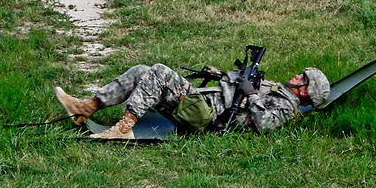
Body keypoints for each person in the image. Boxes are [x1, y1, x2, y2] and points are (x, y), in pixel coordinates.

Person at [54, 63, 331, 139]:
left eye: (302, 78)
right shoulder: (278, 90)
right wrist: (222, 75)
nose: (297, 76)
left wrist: (250, 94)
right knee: (142, 71)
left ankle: (124, 125)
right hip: (204, 105)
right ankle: (87, 107)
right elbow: (236, 88)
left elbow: (265, 125)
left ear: (305, 91)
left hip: (207, 117)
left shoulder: (286, 107)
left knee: (160, 71)